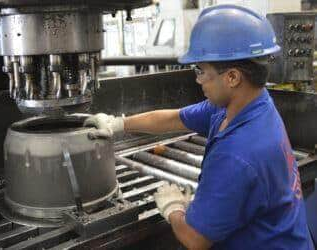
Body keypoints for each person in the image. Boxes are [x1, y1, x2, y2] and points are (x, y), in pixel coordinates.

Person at [84, 5, 314, 250]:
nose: (197, 79)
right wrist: (118, 124)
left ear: (232, 77)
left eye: (201, 71)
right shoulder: (248, 103)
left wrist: (173, 208)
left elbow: (195, 240)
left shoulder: (238, 153)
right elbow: (173, 119)